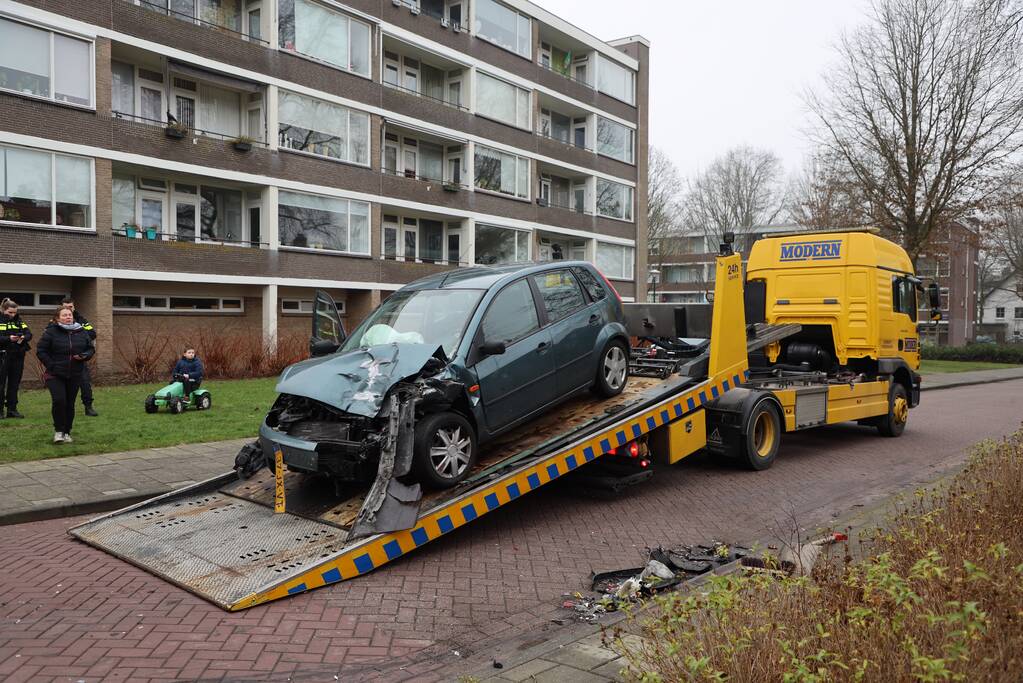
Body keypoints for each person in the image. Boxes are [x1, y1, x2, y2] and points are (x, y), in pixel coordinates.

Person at [36, 307, 94, 444]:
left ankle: (67, 432)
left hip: (75, 373)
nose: (68, 317)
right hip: (55, 373)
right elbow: (41, 350)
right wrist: (51, 365)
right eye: (64, 315)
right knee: (59, 401)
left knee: (69, 403)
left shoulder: (81, 331)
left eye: (70, 315)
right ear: (57, 318)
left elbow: (90, 348)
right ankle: (58, 431)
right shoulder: (51, 332)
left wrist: (84, 356)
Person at [61, 297, 98, 416]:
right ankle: (64, 408)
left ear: (74, 307)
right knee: (63, 386)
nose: (68, 310)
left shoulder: (81, 320)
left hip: (79, 358)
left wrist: (78, 336)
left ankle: (88, 407)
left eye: (70, 307)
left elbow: (92, 333)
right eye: (65, 308)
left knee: (85, 383)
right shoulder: (56, 320)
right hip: (62, 360)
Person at [0, 298, 32, 418]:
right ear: (3, 310)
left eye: (15, 312)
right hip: (3, 356)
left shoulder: (19, 321)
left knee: (14, 384)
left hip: (17, 355)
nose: (13, 315)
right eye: (10, 312)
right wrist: (9, 338)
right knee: (1, 384)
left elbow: (29, 334)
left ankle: (12, 410)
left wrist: (23, 337)